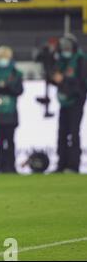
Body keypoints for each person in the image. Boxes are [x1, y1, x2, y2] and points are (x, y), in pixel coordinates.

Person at [51, 34, 85, 173]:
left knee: (74, 132)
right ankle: (61, 164)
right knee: (62, 132)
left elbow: (82, 82)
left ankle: (73, 165)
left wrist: (64, 80)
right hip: (63, 101)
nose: (65, 50)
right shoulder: (61, 61)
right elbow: (53, 76)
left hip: (76, 100)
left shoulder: (81, 60)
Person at [0, 46, 23, 173]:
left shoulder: (16, 73)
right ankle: (0, 167)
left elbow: (19, 90)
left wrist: (7, 88)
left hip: (10, 112)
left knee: (10, 141)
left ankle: (11, 167)